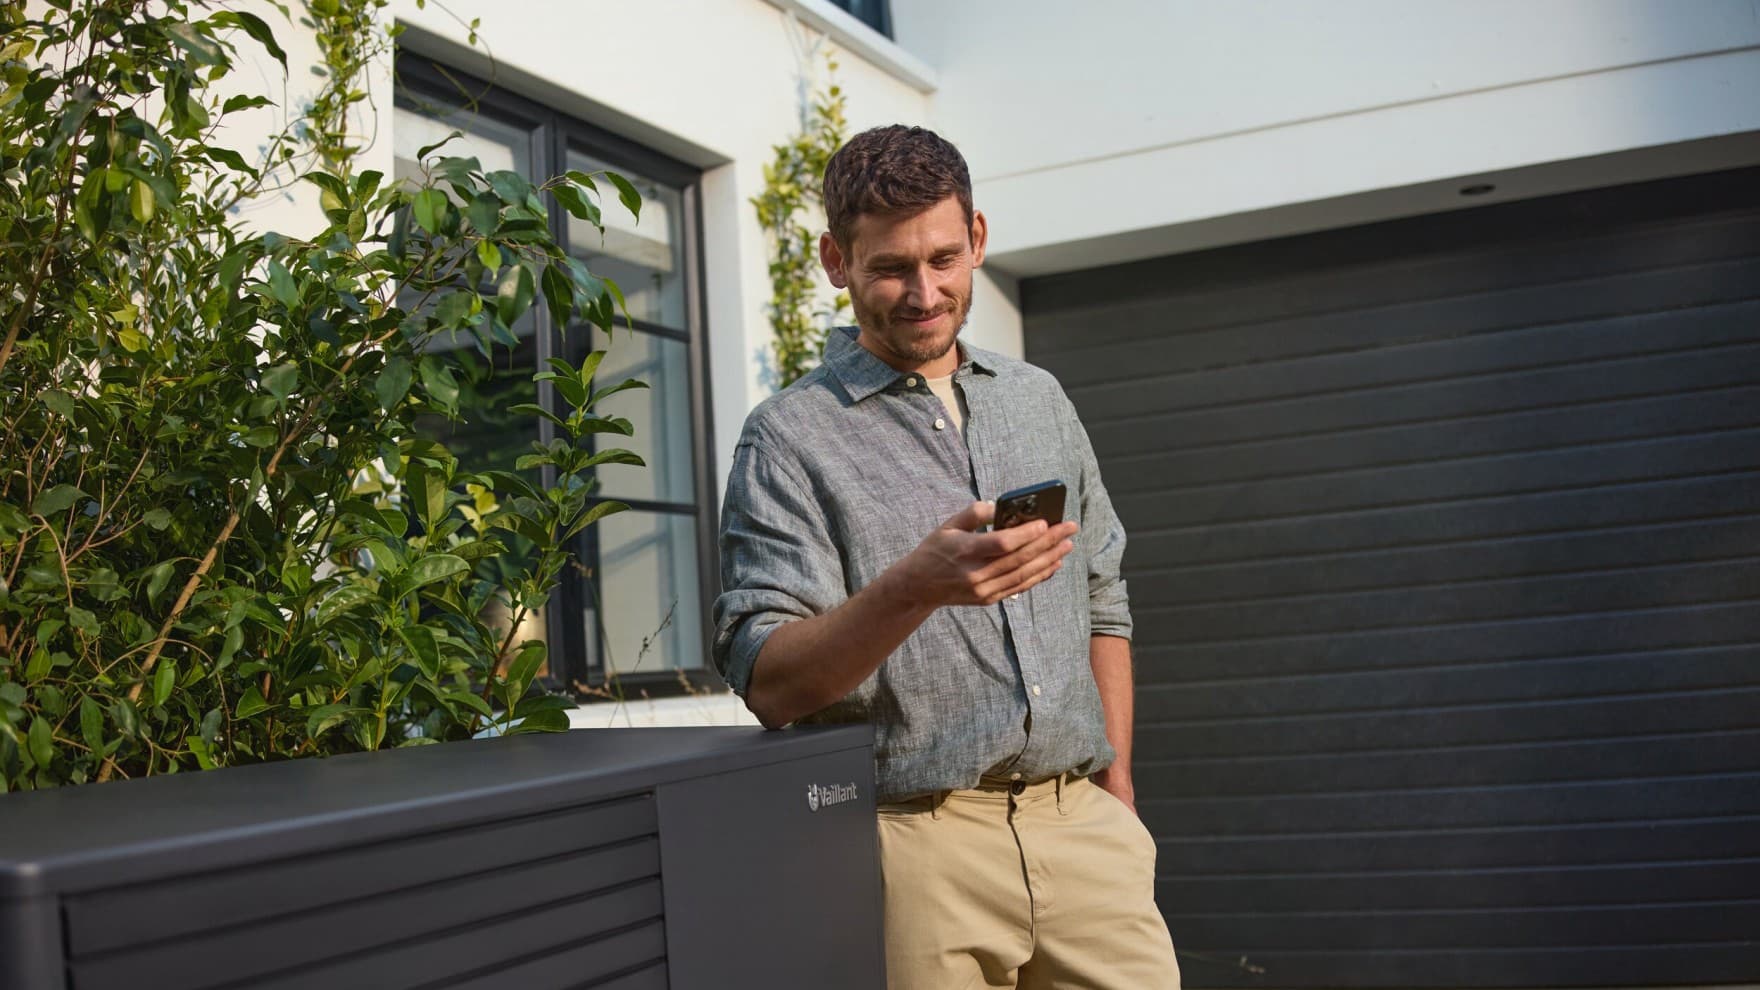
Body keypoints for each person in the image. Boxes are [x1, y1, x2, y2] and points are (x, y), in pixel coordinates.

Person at [712, 124, 1180, 989]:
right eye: (890, 267)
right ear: (835, 261)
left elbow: (1103, 595)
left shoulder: (1040, 400)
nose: (923, 292)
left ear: (978, 240)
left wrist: (1116, 795)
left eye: (942, 258)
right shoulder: (788, 440)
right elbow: (769, 683)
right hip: (917, 848)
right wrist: (912, 589)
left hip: (1083, 830)